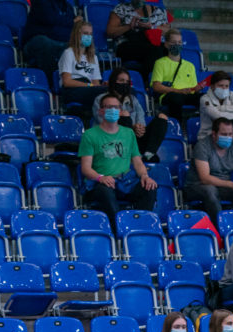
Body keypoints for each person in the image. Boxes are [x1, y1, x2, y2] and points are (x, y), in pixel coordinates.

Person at [80, 93, 158, 230]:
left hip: (125, 181)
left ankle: (141, 228)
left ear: (120, 110)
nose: (113, 110)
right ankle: (119, 230)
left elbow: (137, 161)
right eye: (108, 107)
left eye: (116, 107)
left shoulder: (129, 133)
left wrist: (145, 176)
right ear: (101, 111)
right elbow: (85, 168)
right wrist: (100, 178)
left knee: (149, 187)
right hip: (101, 182)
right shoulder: (89, 135)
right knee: (106, 191)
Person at [183, 118, 233, 227]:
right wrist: (232, 184)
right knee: (210, 190)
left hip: (223, 187)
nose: (228, 137)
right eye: (224, 134)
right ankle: (220, 228)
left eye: (230, 134)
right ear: (214, 134)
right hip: (197, 186)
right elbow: (205, 178)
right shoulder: (202, 146)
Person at [94, 67, 166, 164]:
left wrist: (140, 127)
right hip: (112, 139)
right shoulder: (101, 99)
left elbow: (141, 117)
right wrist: (131, 125)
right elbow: (103, 121)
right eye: (121, 81)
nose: (124, 84)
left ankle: (149, 154)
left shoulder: (133, 99)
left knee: (162, 118)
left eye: (127, 82)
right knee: (125, 114)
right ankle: (128, 154)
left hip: (134, 139)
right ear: (113, 81)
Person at [106, 1, 170, 79]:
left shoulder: (159, 11)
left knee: (167, 49)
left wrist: (152, 26)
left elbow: (168, 32)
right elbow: (110, 32)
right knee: (155, 50)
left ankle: (162, 80)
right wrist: (129, 26)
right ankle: (147, 80)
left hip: (151, 43)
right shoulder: (121, 9)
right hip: (126, 46)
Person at [150, 29, 205, 119]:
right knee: (176, 98)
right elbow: (156, 87)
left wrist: (197, 89)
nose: (177, 45)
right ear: (166, 44)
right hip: (170, 95)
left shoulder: (190, 65)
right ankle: (178, 124)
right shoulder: (160, 63)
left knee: (205, 98)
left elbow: (193, 88)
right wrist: (178, 91)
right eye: (174, 42)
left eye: (179, 42)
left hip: (187, 95)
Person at [57, 21, 106, 120]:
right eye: (85, 33)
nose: (88, 37)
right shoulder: (68, 53)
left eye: (90, 34)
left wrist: (101, 86)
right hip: (71, 90)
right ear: (77, 35)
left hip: (88, 89)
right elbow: (67, 82)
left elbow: (95, 83)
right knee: (108, 92)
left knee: (116, 90)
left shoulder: (93, 57)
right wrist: (89, 85)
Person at [22, 0, 78, 81]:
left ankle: (87, 83)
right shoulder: (40, 2)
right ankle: (51, 82)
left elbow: (74, 25)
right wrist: (71, 22)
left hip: (60, 42)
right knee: (44, 43)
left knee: (83, 46)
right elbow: (50, 19)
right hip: (35, 42)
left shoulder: (68, 7)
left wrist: (68, 23)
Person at [199, 70, 233, 142]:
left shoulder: (232, 95)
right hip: (209, 136)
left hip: (228, 136)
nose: (224, 88)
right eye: (220, 86)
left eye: (226, 86)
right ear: (212, 86)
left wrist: (221, 108)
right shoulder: (205, 99)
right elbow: (217, 116)